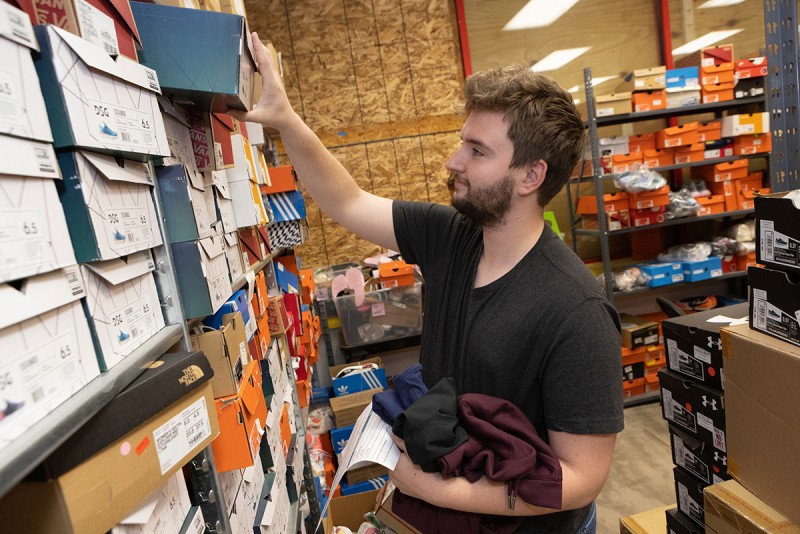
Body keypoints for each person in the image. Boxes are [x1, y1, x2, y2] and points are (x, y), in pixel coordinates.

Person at [230, 32, 624, 533]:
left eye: (477, 151)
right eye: (463, 142)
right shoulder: (452, 236)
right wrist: (285, 117)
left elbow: (582, 479)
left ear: (531, 176)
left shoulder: (576, 310)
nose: (453, 161)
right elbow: (347, 201)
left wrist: (425, 485)